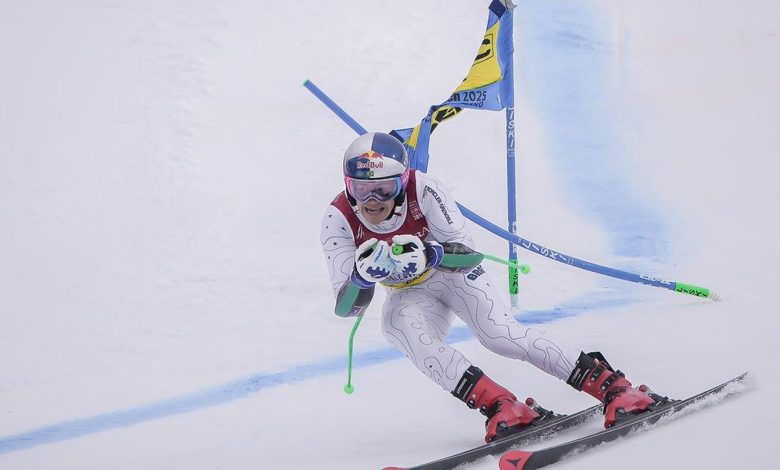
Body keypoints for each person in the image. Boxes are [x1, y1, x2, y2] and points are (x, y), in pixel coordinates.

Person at [320, 132, 658, 443]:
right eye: (362, 190)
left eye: (385, 188)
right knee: (397, 326)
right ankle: (500, 405)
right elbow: (347, 307)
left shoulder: (424, 190)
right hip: (410, 293)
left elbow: (468, 256)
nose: (373, 200)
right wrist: (361, 278)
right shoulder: (338, 218)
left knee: (500, 335)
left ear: (403, 181)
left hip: (452, 275)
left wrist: (430, 254)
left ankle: (614, 386)